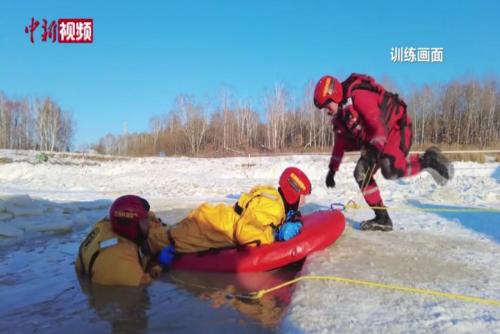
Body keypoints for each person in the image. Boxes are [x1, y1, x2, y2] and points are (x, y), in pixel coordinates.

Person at [313, 73, 453, 232]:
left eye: (327, 106)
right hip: (375, 140)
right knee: (361, 173)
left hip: (396, 129)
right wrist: (332, 169)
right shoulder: (340, 118)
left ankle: (428, 160)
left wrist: (373, 151)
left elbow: (378, 126)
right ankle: (382, 218)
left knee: (390, 169)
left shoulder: (359, 97)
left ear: (335, 97)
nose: (327, 111)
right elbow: (340, 143)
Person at [148, 166, 312, 263]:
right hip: (208, 229)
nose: (304, 203)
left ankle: (149, 226)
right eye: (303, 197)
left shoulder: (274, 199)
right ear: (294, 193)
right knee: (155, 240)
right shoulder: (274, 206)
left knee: (165, 233)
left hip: (212, 219)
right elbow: (244, 233)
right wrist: (275, 234)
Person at [75, 195, 165, 286]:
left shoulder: (104, 225)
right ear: (132, 225)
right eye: (145, 221)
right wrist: (160, 266)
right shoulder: (120, 260)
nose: (148, 224)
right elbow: (144, 283)